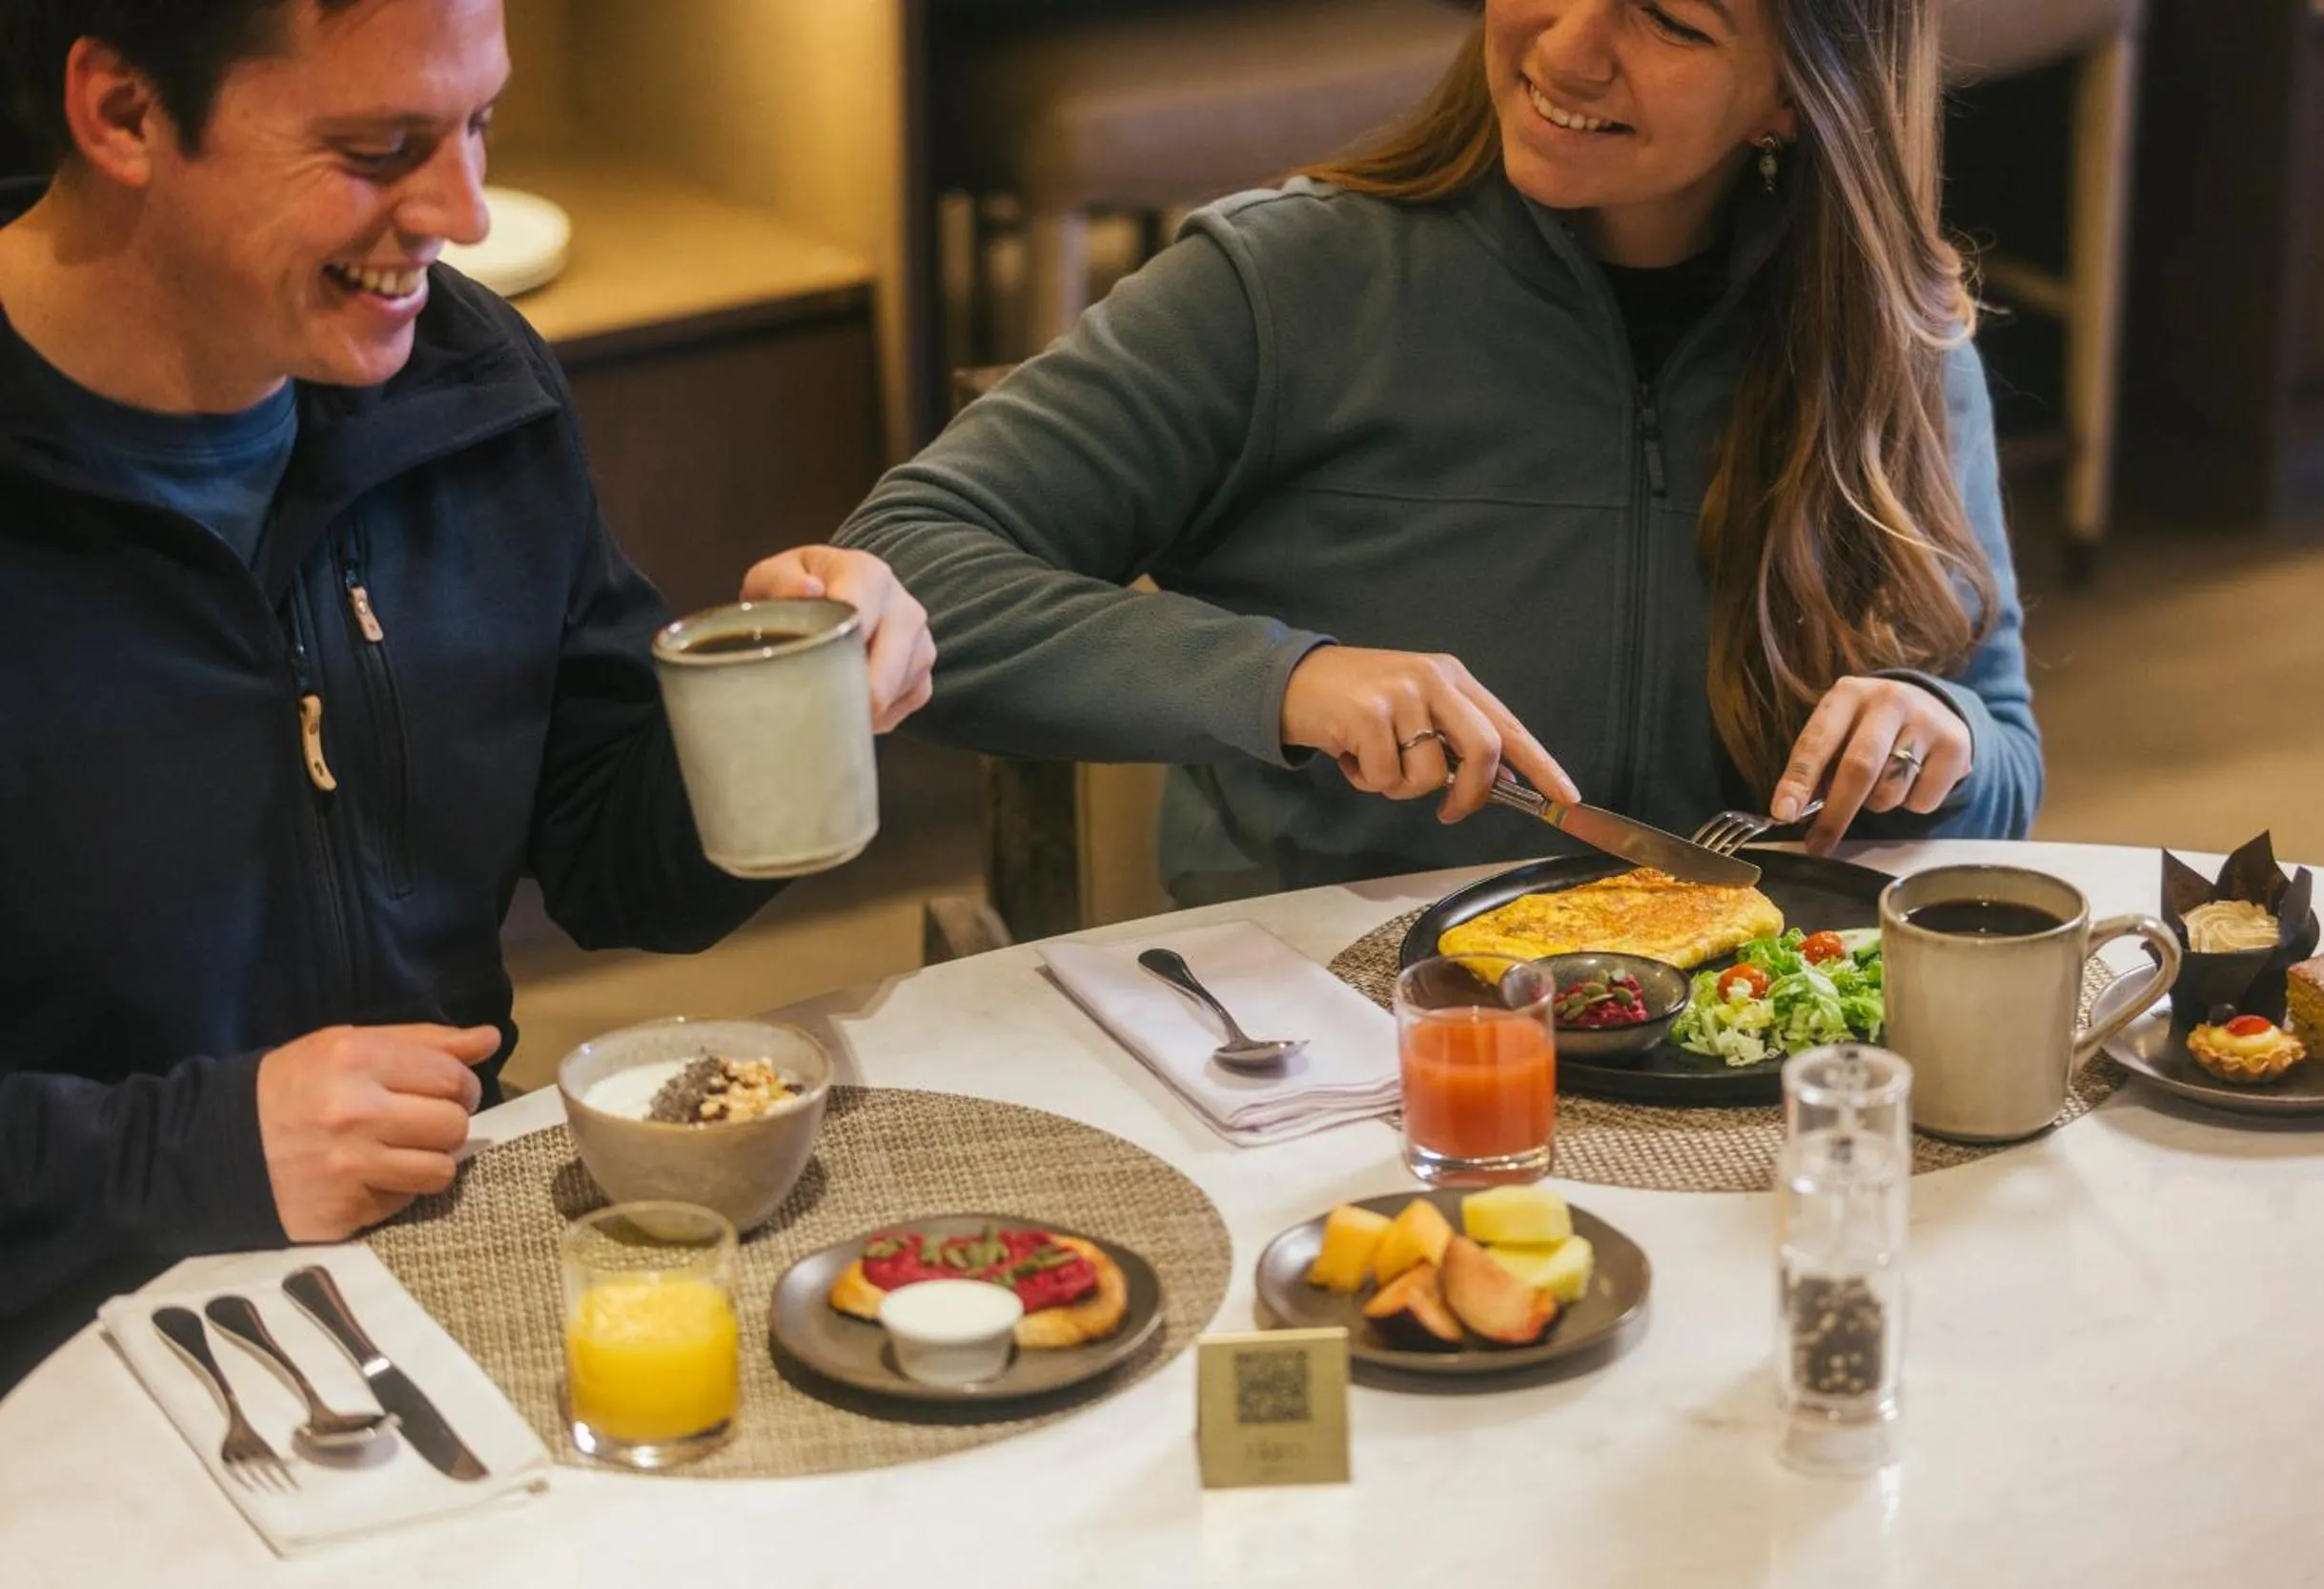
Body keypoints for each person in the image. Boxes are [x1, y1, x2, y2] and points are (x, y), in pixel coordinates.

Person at [0, 0, 932, 1386]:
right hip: (61, 1359)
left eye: (479, 125)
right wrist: (195, 1152)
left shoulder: (468, 380)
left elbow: (621, 861)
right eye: (381, 148)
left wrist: (787, 703)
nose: (466, 213)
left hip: (424, 1294)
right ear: (124, 116)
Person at [783, 0, 2041, 907]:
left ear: (1791, 93)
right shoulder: (1284, 283)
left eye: (1668, 19)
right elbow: (902, 569)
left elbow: (2005, 749)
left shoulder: (1896, 334)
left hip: (1742, 1042)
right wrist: (1284, 679)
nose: (1566, 43)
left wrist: (1939, 737)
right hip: (1336, 1055)